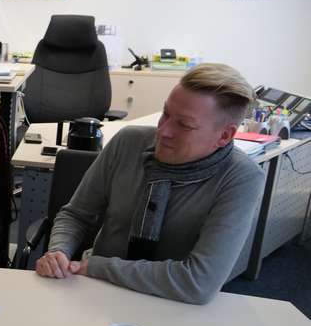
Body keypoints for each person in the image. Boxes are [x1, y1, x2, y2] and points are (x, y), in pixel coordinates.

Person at [34, 63, 265, 305]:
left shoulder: (241, 178)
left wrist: (97, 266)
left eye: (184, 125)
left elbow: (198, 282)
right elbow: (76, 215)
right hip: (95, 290)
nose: (163, 131)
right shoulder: (128, 143)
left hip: (173, 306)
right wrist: (58, 251)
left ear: (224, 136)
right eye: (165, 114)